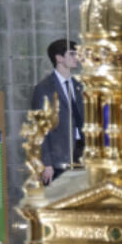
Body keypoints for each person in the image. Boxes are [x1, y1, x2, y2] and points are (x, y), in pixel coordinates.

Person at [30, 38, 84, 184]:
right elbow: (40, 128)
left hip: (81, 153)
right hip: (59, 157)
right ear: (59, 58)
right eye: (72, 54)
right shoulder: (44, 88)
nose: (76, 58)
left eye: (76, 53)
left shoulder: (79, 86)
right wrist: (46, 163)